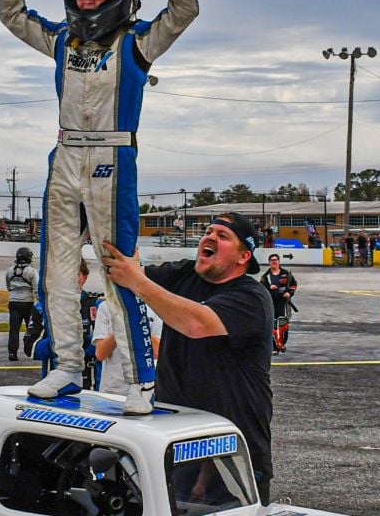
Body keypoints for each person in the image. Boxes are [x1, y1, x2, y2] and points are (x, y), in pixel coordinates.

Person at [0, 0, 198, 414]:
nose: (87, 6)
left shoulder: (137, 42)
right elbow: (12, 15)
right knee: (57, 272)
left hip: (114, 158)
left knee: (119, 270)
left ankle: (139, 379)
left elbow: (184, 11)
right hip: (64, 156)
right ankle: (67, 366)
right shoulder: (61, 39)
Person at [102, 212, 274, 504]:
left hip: (230, 449)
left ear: (244, 256)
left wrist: (137, 282)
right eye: (209, 231)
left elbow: (197, 324)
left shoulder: (252, 297)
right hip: (177, 441)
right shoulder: (185, 274)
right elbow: (129, 271)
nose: (209, 236)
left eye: (223, 236)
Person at [23, 259, 101, 389]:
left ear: (84, 278)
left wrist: (80, 341)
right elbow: (30, 349)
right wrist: (59, 341)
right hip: (54, 389)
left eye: (75, 274)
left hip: (91, 389)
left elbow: (104, 349)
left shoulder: (97, 306)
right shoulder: (42, 308)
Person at [93, 299, 162, 395]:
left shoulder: (156, 307)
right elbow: (100, 354)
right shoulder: (105, 307)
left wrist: (139, 325)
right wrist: (122, 326)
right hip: (112, 390)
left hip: (145, 391)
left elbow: (158, 352)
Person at [259, 253, 298, 354]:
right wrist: (269, 288)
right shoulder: (265, 277)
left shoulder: (286, 274)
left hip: (284, 304)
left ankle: (282, 343)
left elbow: (294, 285)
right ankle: (275, 347)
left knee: (283, 326)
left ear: (279, 262)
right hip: (270, 305)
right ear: (269, 263)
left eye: (275, 260)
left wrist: (289, 293)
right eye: (272, 260)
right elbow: (260, 290)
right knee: (271, 326)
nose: (274, 262)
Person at [5, 247, 39, 361]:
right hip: (27, 303)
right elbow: (37, 289)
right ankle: (30, 350)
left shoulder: (10, 270)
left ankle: (12, 353)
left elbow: (8, 287)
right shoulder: (32, 271)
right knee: (31, 328)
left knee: (14, 329)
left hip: (13, 302)